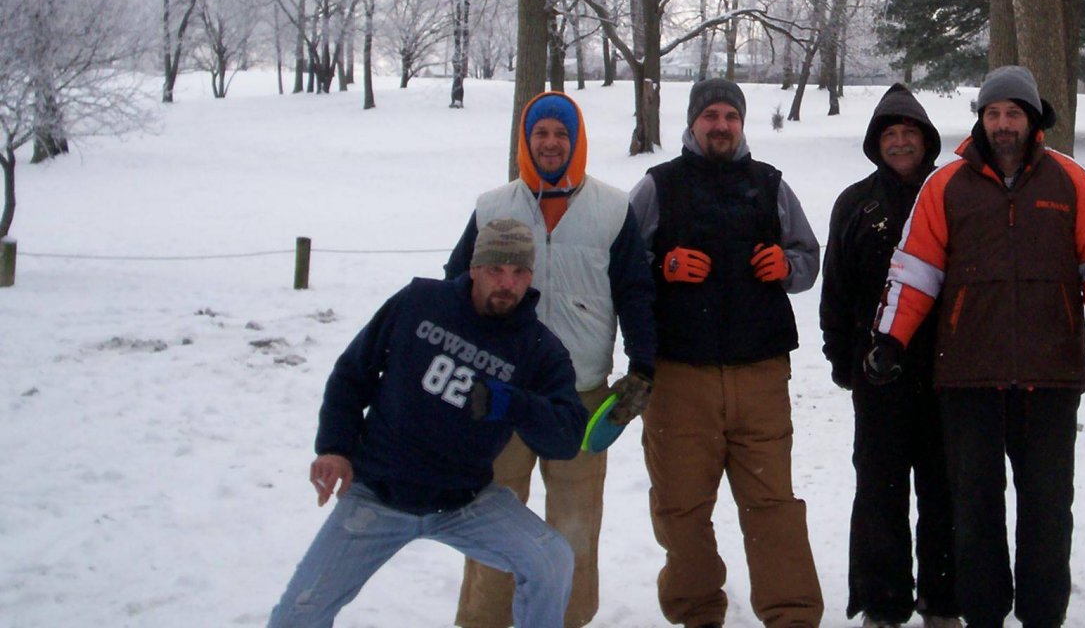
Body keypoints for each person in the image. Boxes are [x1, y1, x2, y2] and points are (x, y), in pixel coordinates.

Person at [868, 65, 1085, 628]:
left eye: (1014, 113)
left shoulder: (1071, 182)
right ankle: (984, 614)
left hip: (1052, 377)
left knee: (1047, 510)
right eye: (993, 113)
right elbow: (914, 270)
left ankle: (1042, 615)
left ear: (1033, 119)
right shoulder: (947, 187)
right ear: (981, 120)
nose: (1003, 124)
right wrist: (891, 338)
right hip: (969, 380)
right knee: (975, 511)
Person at [267, 219, 587, 628]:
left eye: (519, 272)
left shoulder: (539, 348)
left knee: (551, 560)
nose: (507, 283)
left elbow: (567, 436)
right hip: (379, 493)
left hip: (466, 500)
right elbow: (352, 373)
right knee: (297, 613)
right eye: (495, 269)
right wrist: (334, 448)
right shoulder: (420, 302)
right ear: (473, 268)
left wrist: (513, 403)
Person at [445, 91, 657, 628]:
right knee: (493, 519)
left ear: (577, 140)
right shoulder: (494, 207)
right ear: (526, 139)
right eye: (540, 132)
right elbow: (456, 286)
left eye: (561, 133)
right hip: (499, 392)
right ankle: (485, 619)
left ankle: (566, 618)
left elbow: (635, 291)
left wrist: (642, 368)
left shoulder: (612, 208)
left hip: (579, 394)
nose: (551, 142)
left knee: (575, 525)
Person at [628, 77, 824, 628]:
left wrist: (787, 267)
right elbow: (618, 263)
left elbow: (809, 256)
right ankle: (697, 613)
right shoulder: (657, 187)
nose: (720, 124)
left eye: (730, 116)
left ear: (741, 124)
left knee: (772, 506)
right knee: (681, 508)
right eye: (710, 114)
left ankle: (792, 615)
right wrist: (660, 267)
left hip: (760, 373)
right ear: (692, 123)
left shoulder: (770, 186)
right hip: (680, 376)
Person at [820, 84, 960, 628]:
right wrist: (840, 352)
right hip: (877, 368)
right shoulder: (857, 203)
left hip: (946, 368)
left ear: (926, 141)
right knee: (879, 488)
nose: (900, 143)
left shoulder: (952, 194)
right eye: (890, 135)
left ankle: (944, 599)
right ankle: (883, 600)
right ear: (876, 144)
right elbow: (836, 284)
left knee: (943, 485)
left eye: (909, 134)